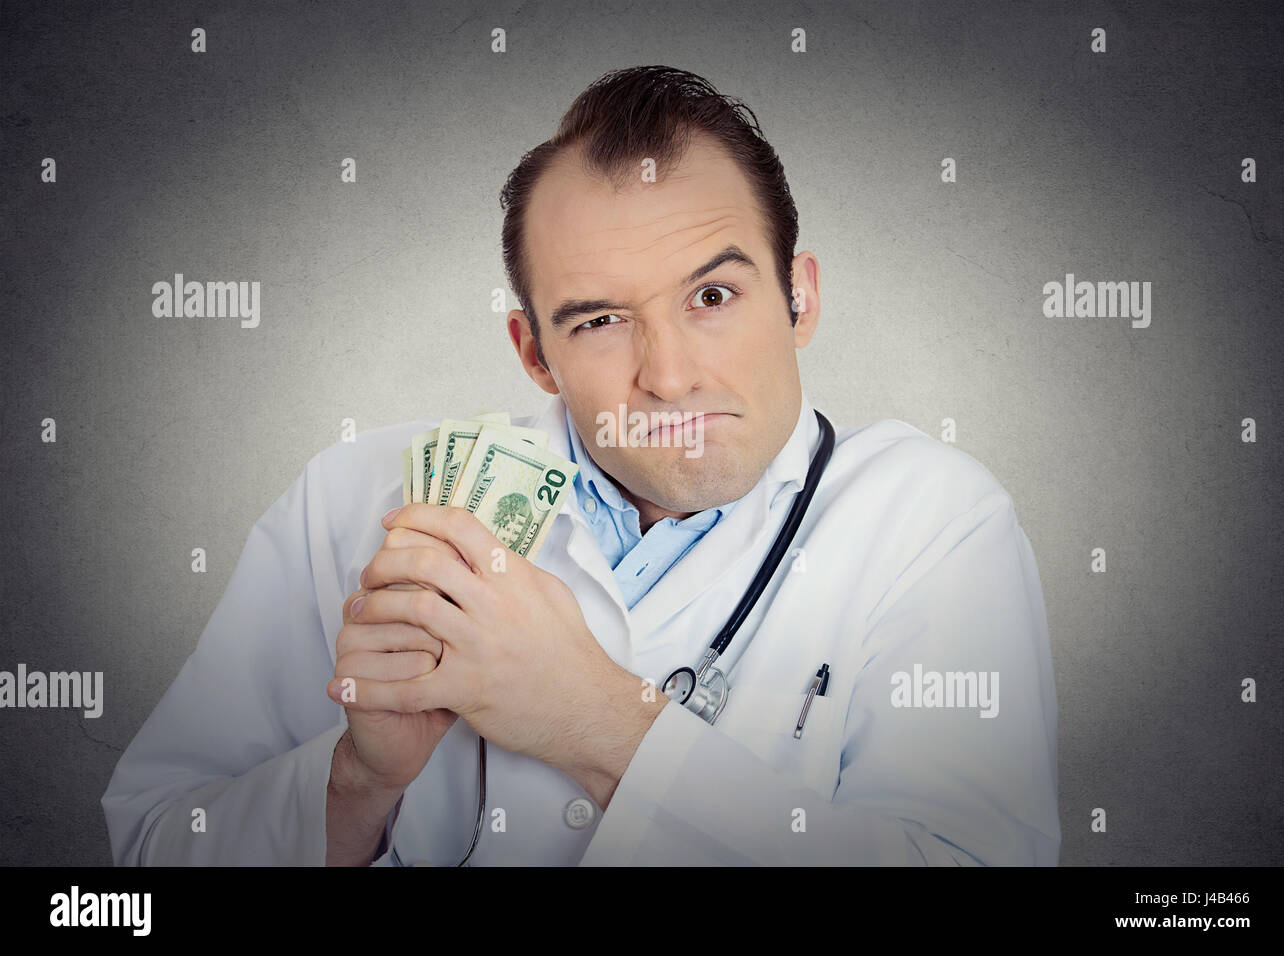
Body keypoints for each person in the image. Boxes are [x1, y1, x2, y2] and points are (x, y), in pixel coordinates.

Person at [102, 65, 1060, 866]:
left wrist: (596, 721)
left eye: (714, 295)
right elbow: (143, 863)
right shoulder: (361, 499)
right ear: (533, 353)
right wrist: (360, 778)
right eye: (600, 321)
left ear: (799, 297)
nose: (671, 377)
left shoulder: (933, 521)